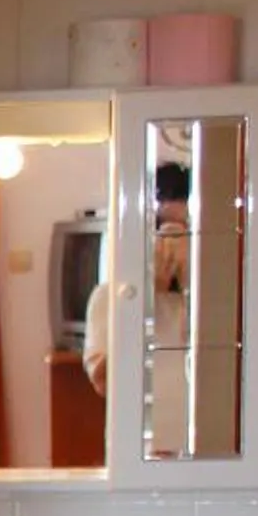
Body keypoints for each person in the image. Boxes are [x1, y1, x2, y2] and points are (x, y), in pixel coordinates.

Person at [81, 157, 191, 396]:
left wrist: (191, 288)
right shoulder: (110, 297)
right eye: (161, 227)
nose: (171, 241)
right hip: (138, 431)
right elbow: (103, 384)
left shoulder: (222, 300)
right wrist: (146, 302)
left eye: (184, 229)